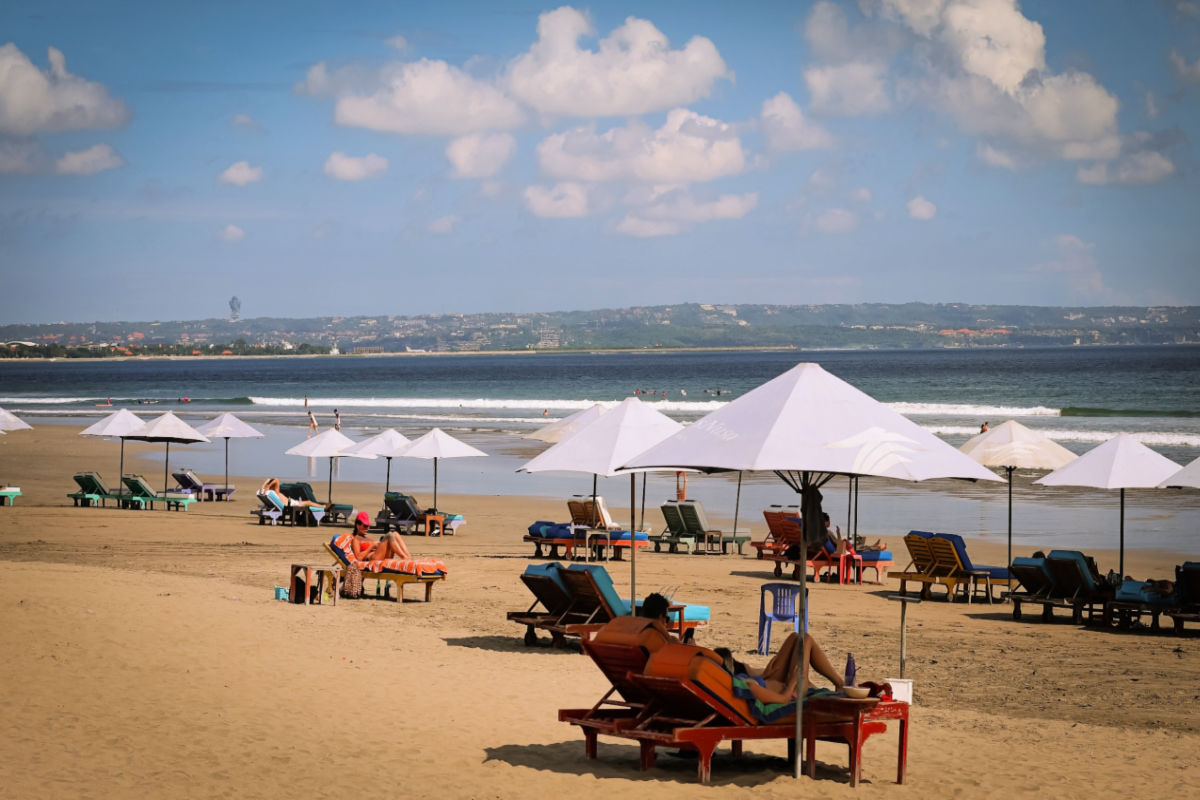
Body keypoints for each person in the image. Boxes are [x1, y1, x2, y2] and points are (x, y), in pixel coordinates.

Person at [714, 631, 844, 704]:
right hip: (794, 692)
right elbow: (783, 700)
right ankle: (839, 683)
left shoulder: (740, 682)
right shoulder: (749, 688)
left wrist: (764, 675)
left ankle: (832, 684)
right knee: (805, 639)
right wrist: (793, 681)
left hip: (779, 683)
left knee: (796, 637)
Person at [346, 511, 412, 561]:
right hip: (373, 559)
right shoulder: (356, 539)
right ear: (358, 525)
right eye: (365, 526)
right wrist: (372, 546)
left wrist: (379, 544)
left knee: (395, 534)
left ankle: (408, 557)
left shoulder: (367, 538)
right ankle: (404, 557)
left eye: (368, 526)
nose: (367, 529)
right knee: (389, 535)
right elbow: (359, 557)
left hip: (381, 555)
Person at [259, 478, 328, 511]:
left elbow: (274, 481)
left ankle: (323, 506)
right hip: (291, 504)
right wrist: (267, 484)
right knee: (309, 502)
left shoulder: (272, 493)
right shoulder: (276, 493)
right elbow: (276, 480)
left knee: (308, 502)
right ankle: (323, 507)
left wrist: (266, 484)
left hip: (291, 503)